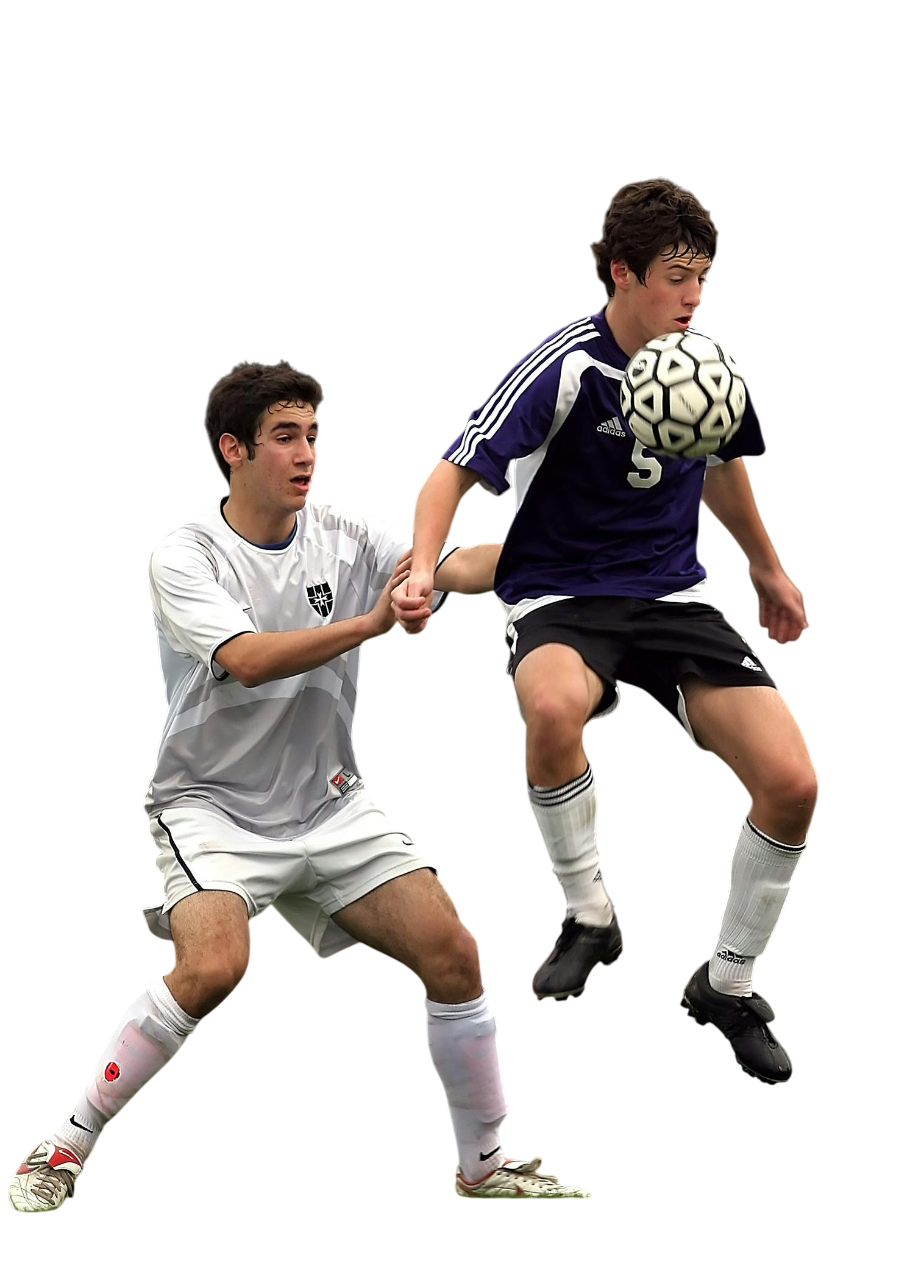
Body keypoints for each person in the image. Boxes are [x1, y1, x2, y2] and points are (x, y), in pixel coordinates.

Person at [7, 365, 592, 1214]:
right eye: (285, 436)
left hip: (329, 802)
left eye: (313, 435)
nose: (306, 452)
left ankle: (482, 1166)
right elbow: (243, 660)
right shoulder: (182, 552)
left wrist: (569, 558)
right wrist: (370, 623)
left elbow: (458, 564)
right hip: (210, 808)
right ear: (233, 449)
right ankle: (63, 1144)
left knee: (455, 955)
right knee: (211, 968)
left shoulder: (347, 533)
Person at [393, 175, 817, 1084]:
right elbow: (448, 475)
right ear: (622, 273)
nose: (693, 297)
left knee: (794, 783)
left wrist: (766, 567)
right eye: (675, 276)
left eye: (702, 277)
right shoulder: (562, 366)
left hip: (673, 596)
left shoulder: (705, 362)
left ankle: (727, 982)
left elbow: (722, 466)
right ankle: (591, 912)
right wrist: (425, 567)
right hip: (560, 591)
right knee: (550, 710)